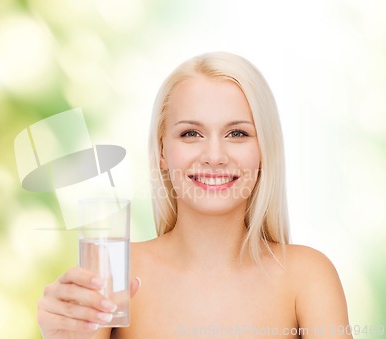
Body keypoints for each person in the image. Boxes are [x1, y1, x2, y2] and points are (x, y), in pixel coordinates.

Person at [37, 52, 352, 338]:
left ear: (264, 150)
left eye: (237, 133)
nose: (214, 156)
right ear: (162, 150)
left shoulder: (307, 276)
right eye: (191, 133)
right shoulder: (114, 270)